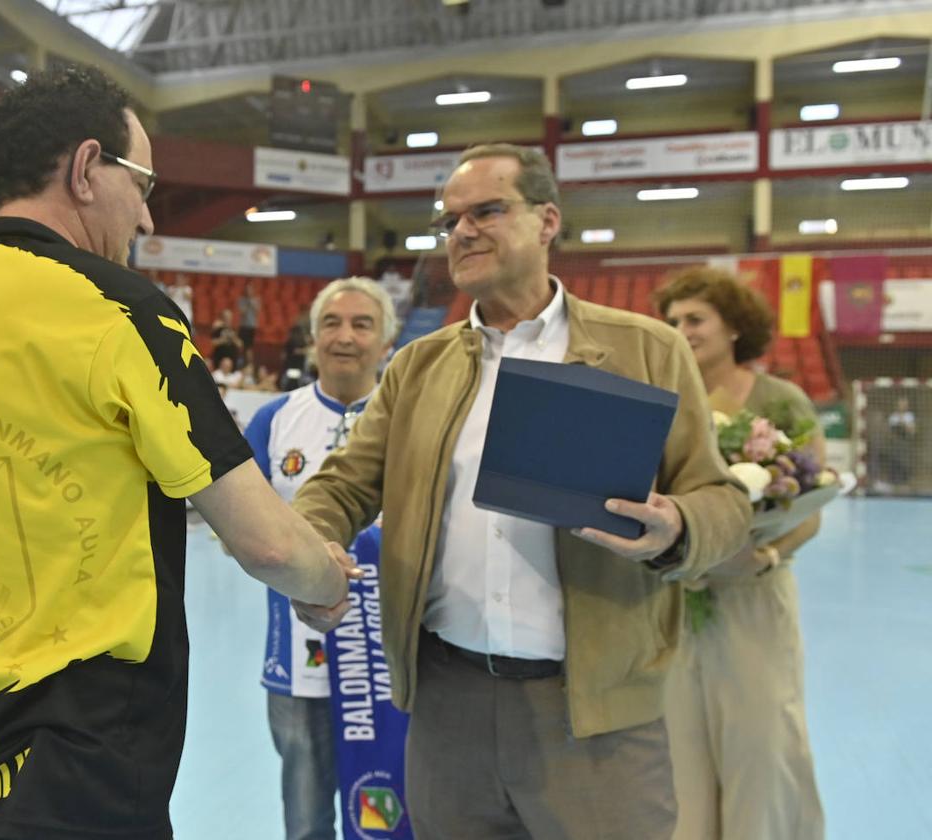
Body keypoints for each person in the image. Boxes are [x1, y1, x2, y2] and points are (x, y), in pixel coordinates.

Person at [0, 63, 356, 840]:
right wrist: (326, 579)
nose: (149, 220)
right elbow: (263, 538)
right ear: (88, 169)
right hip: (72, 773)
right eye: (144, 185)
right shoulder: (114, 309)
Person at [290, 144, 752, 840]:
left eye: (487, 210)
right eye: (450, 221)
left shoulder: (647, 349)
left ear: (547, 221)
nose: (463, 231)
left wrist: (678, 528)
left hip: (594, 717)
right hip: (448, 713)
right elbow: (341, 484)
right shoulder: (419, 366)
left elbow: (721, 500)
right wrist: (309, 549)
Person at [656, 267, 826, 840]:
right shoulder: (661, 404)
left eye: (695, 319)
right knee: (680, 750)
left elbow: (812, 507)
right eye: (673, 320)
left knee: (761, 743)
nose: (681, 329)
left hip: (754, 598)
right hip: (675, 602)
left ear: (733, 328)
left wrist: (765, 555)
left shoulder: (783, 400)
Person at [245, 277, 396, 840]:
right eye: (331, 323)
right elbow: (248, 529)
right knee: (306, 817)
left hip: (396, 660)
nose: (345, 336)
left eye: (362, 324)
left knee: (397, 803)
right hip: (301, 656)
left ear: (387, 340)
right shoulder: (275, 420)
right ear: (312, 337)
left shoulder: (412, 417)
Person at [238, 279, 262, 352]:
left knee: (249, 346)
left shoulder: (256, 300)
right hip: (243, 325)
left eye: (250, 290)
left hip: (251, 325)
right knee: (241, 344)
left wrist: (251, 302)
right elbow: (242, 312)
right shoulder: (241, 300)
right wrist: (247, 304)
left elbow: (257, 311)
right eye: (247, 290)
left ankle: (249, 362)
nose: (249, 291)